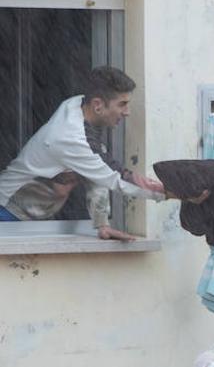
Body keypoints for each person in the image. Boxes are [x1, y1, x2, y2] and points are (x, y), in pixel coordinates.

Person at [0, 66, 183, 241]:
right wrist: (176, 192)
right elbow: (114, 177)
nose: (127, 112)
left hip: (26, 214)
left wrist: (101, 223)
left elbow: (97, 169)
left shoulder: (79, 107)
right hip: (7, 212)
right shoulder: (69, 137)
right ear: (97, 105)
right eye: (122, 104)